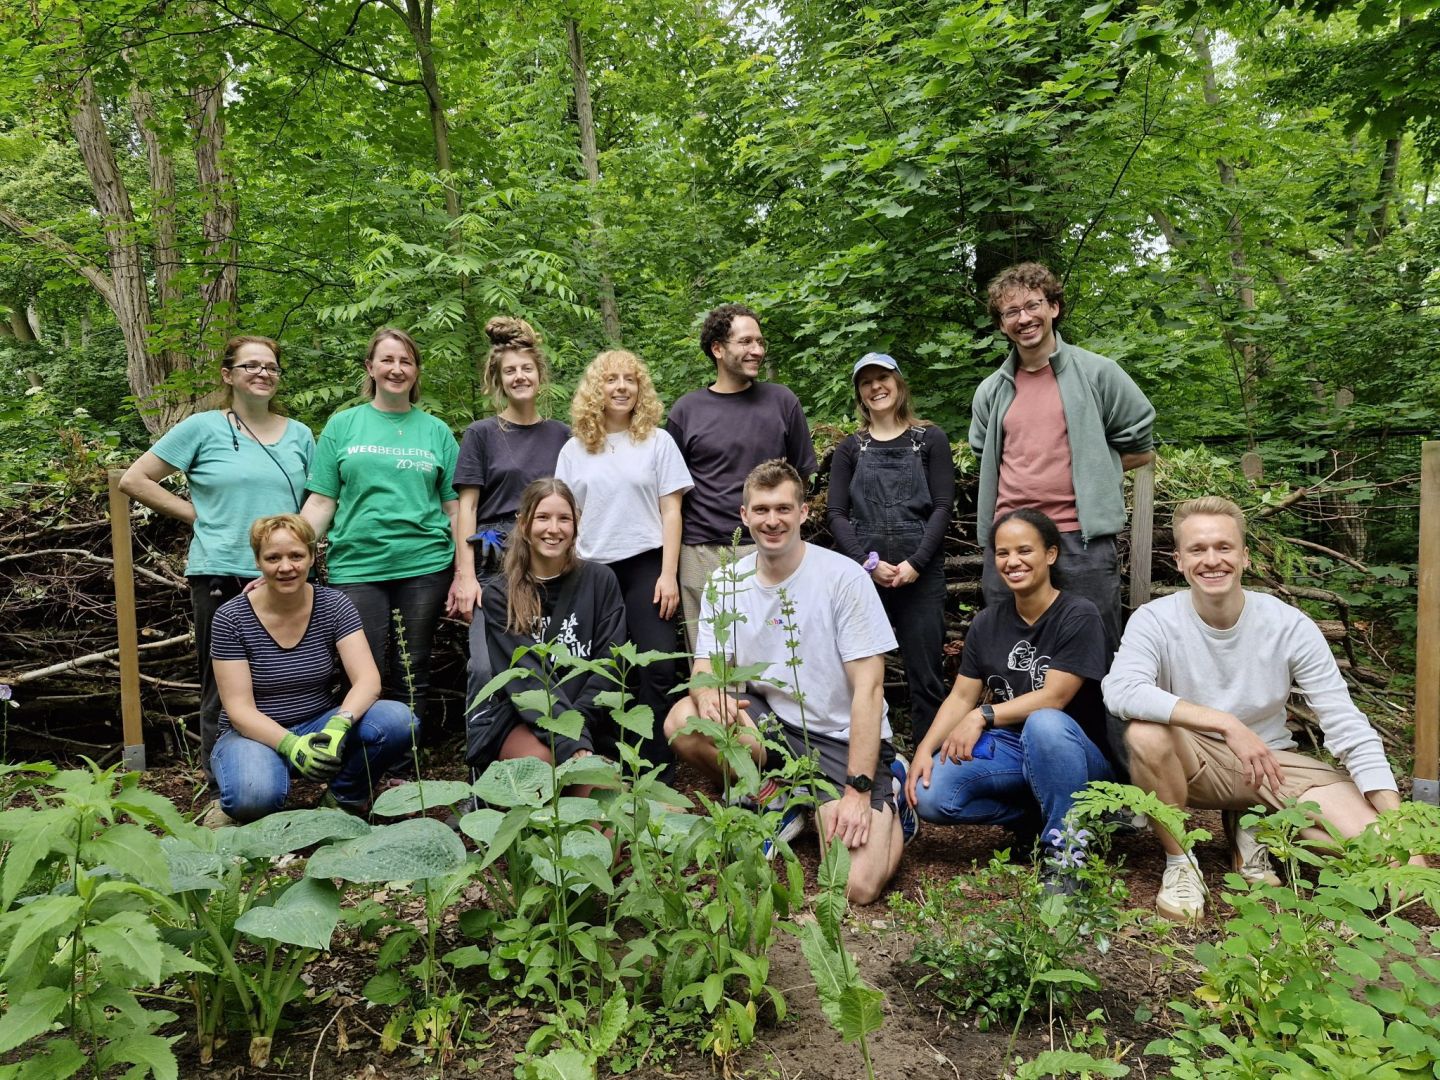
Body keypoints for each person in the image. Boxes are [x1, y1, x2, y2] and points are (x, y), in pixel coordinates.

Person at [1103, 497, 1415, 922]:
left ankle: (1255, 825)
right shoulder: (1155, 619)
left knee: (1389, 861)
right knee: (1145, 733)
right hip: (1194, 764)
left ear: (1245, 556)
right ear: (1179, 561)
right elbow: (1121, 690)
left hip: (1270, 766)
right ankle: (1181, 862)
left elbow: (1345, 723)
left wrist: (1398, 826)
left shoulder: (1288, 624)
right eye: (1197, 549)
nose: (1212, 560)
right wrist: (1226, 723)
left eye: (1224, 547)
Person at [663, 460, 908, 905]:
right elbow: (704, 668)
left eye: (783, 509)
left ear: (803, 513)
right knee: (684, 720)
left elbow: (870, 691)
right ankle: (776, 797)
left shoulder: (843, 578)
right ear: (744, 516)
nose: (771, 520)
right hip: (773, 727)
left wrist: (857, 790)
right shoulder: (726, 582)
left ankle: (889, 797)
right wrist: (708, 693)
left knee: (856, 885)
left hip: (839, 739)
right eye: (761, 509)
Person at [119, 335, 314, 788]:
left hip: (286, 575)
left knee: (291, 675)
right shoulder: (202, 428)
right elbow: (135, 479)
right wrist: (199, 515)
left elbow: (317, 500)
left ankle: (290, 771)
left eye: (271, 367)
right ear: (228, 375)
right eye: (251, 365)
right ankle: (220, 785)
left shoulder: (301, 434)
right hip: (222, 570)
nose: (263, 373)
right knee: (220, 682)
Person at [906, 509, 1117, 892]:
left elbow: (1054, 697)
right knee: (930, 795)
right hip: (1013, 750)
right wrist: (924, 748)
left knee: (1044, 722)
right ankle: (1036, 820)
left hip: (1077, 757)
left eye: (1024, 550)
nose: (1012, 561)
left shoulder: (1078, 615)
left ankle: (1067, 852)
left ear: (1050, 554)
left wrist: (982, 716)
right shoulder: (987, 623)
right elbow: (961, 695)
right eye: (1003, 553)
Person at [971, 262, 1155, 656]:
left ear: (1053, 307)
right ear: (1002, 324)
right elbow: (984, 454)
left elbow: (1140, 444)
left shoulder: (1099, 373)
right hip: (1011, 539)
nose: (1024, 318)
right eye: (1011, 312)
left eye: (1032, 305)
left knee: (1094, 652)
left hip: (1081, 540)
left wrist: (1094, 469)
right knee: (1008, 654)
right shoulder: (991, 390)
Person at [301, 328, 459, 741]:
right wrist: (291, 554)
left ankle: (406, 761)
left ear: (416, 370)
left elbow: (454, 508)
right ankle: (362, 760)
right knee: (360, 670)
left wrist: (465, 572)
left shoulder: (436, 431)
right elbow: (321, 502)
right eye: (387, 360)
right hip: (356, 565)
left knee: (413, 667)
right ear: (370, 367)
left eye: (406, 361)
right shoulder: (343, 425)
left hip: (424, 564)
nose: (396, 369)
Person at [209, 515, 417, 822]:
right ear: (257, 562)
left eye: (296, 556)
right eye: (273, 558)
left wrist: (338, 726)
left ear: (311, 557)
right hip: (252, 735)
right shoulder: (231, 618)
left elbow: (367, 680)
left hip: (319, 724)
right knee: (253, 797)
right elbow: (239, 709)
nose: (286, 567)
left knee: (398, 719)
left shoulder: (334, 605)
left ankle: (343, 798)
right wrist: (290, 744)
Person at [556, 349, 693, 771]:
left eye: (629, 380)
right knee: (598, 668)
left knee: (657, 665)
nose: (621, 387)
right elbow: (567, 516)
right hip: (591, 571)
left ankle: (655, 766)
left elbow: (672, 511)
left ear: (640, 388)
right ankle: (604, 762)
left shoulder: (658, 441)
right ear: (595, 389)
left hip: (647, 565)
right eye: (611, 379)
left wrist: (668, 574)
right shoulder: (574, 449)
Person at [666, 304, 817, 649]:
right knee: (711, 660)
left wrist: (781, 531)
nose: (757, 350)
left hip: (768, 546)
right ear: (718, 349)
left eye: (760, 341)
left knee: (778, 654)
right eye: (746, 341)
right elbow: (670, 494)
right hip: (701, 551)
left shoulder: (782, 402)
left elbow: (800, 479)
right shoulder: (686, 411)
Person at [450, 317, 571, 746]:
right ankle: (481, 764)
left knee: (551, 662)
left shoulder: (562, 435)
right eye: (510, 371)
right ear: (497, 379)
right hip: (495, 559)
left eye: (527, 369)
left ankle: (556, 754)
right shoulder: (482, 434)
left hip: (551, 558)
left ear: (540, 375)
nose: (520, 376)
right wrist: (465, 576)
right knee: (485, 667)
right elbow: (467, 508)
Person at [827, 352, 953, 748]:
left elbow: (942, 506)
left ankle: (928, 759)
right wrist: (866, 563)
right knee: (862, 674)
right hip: (865, 579)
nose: (876, 387)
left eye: (883, 377)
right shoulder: (851, 449)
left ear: (898, 383)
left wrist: (916, 562)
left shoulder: (929, 439)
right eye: (866, 382)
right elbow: (836, 514)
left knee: (926, 676)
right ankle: (870, 757)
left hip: (921, 577)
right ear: (859, 394)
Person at [465, 479, 627, 770]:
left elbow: (610, 664)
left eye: (564, 518)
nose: (554, 529)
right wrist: (569, 740)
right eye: (542, 517)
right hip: (525, 720)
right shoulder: (500, 595)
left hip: (589, 719)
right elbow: (525, 678)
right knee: (541, 768)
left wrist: (577, 732)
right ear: (524, 523)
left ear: (576, 524)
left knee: (593, 787)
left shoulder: (601, 581)